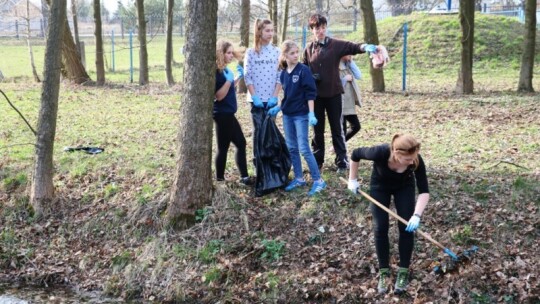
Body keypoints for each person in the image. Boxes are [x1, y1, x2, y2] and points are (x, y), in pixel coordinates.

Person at [347, 134, 429, 294]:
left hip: (404, 186)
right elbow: (355, 154)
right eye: (408, 159)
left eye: (413, 158)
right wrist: (352, 179)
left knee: (407, 227)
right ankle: (384, 271)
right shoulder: (379, 152)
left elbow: (424, 191)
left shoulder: (416, 159)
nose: (412, 162)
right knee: (380, 228)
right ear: (397, 154)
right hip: (380, 185)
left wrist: (416, 215)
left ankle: (403, 271)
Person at [303, 13, 380, 172]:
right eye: (317, 28)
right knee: (317, 132)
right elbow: (304, 69)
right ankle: (317, 162)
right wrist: (310, 77)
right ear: (312, 29)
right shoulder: (308, 49)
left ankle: (341, 162)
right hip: (316, 97)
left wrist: (365, 47)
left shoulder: (335, 44)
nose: (321, 31)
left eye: (323, 27)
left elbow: (352, 46)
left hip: (334, 94)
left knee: (337, 130)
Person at [268, 40, 326, 196]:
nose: (295, 55)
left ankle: (318, 180)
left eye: (296, 52)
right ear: (285, 55)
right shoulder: (284, 74)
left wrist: (311, 113)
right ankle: (299, 178)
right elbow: (288, 96)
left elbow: (310, 93)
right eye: (292, 53)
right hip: (287, 115)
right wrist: (278, 107)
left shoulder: (304, 70)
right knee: (292, 148)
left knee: (304, 148)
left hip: (301, 115)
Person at [213, 40, 252, 185]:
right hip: (222, 114)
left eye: (231, 52)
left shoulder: (225, 70)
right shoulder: (217, 72)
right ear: (220, 54)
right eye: (228, 53)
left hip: (229, 114)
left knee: (240, 143)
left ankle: (244, 177)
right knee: (224, 148)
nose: (231, 55)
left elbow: (228, 88)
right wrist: (229, 81)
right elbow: (219, 96)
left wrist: (236, 79)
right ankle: (220, 180)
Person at [244, 18, 281, 160]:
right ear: (259, 32)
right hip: (257, 100)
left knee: (270, 132)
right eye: (267, 30)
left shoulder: (276, 51)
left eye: (272, 30)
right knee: (258, 132)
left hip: (271, 99)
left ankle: (271, 163)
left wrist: (275, 95)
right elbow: (248, 76)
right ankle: (259, 163)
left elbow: (280, 75)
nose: (270, 33)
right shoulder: (251, 52)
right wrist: (254, 96)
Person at [339, 55, 362, 142]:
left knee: (356, 126)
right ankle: (340, 153)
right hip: (340, 102)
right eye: (348, 53)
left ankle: (338, 146)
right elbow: (333, 85)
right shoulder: (335, 65)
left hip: (349, 102)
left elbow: (359, 75)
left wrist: (351, 62)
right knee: (342, 131)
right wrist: (344, 79)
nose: (350, 55)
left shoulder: (348, 64)